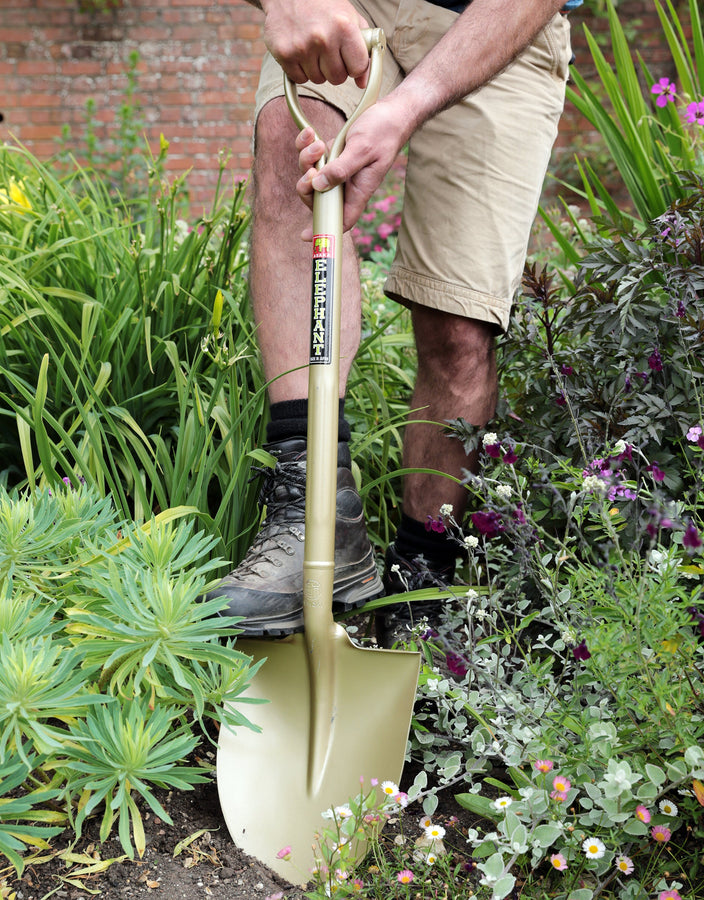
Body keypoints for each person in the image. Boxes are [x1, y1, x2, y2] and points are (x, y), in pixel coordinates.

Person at [207, 0, 583, 642]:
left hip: (496, 23)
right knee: (291, 159)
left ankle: (419, 594)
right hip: (346, 8)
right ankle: (311, 511)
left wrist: (408, 104)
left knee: (459, 331)